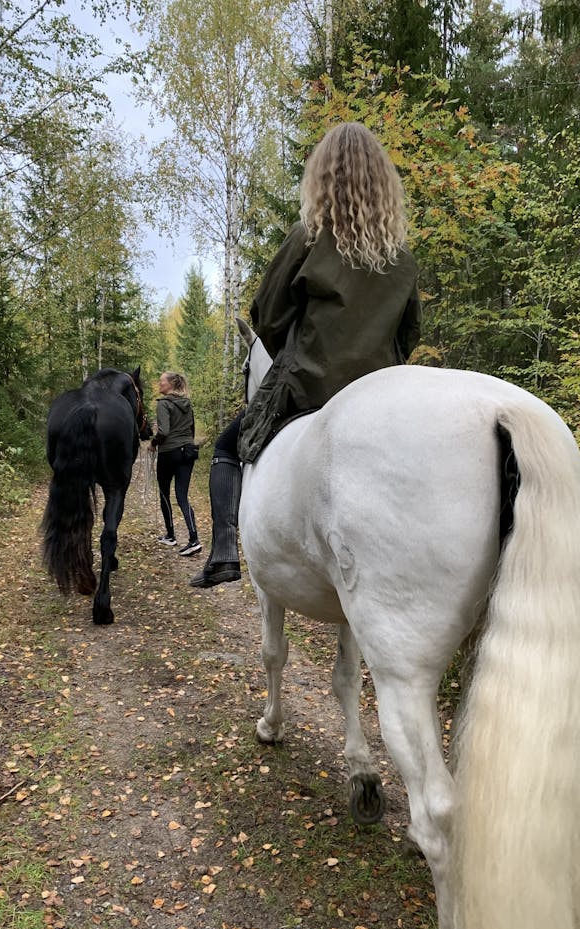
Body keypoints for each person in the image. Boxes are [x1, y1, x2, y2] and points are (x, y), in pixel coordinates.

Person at [190, 120, 422, 589]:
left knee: (226, 446)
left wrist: (298, 359)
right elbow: (410, 334)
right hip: (380, 397)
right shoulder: (401, 256)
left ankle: (224, 552)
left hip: (310, 390)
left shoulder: (309, 237)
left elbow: (267, 316)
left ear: (323, 177)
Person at [151, 372, 202, 557]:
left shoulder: (163, 404)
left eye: (162, 381)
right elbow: (192, 429)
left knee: (164, 493)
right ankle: (194, 539)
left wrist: (153, 443)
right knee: (182, 496)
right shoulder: (187, 404)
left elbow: (163, 431)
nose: (159, 383)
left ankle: (171, 535)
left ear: (171, 384)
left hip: (169, 453)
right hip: (188, 451)